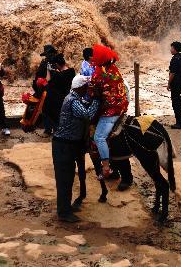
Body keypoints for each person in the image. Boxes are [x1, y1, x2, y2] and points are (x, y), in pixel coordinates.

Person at [53, 74, 100, 223]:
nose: (87, 90)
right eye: (86, 87)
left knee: (67, 178)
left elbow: (85, 104)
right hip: (63, 145)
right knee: (64, 179)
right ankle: (64, 213)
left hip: (67, 144)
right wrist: (97, 101)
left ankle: (65, 208)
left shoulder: (74, 97)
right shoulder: (73, 101)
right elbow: (87, 114)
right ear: (80, 88)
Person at [90, 44, 129, 178]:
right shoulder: (114, 69)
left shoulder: (99, 73)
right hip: (123, 106)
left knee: (99, 137)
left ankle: (106, 168)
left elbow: (92, 92)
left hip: (111, 111)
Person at [46, 54, 76, 136]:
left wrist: (49, 70)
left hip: (59, 102)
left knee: (58, 122)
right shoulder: (71, 71)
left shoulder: (57, 75)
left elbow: (48, 80)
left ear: (56, 64)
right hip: (69, 99)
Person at [35, 45, 59, 136]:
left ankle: (51, 129)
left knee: (50, 110)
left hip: (53, 90)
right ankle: (49, 129)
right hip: (48, 90)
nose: (49, 55)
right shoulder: (45, 63)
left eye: (50, 54)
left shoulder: (49, 63)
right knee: (47, 110)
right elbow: (38, 77)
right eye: (48, 54)